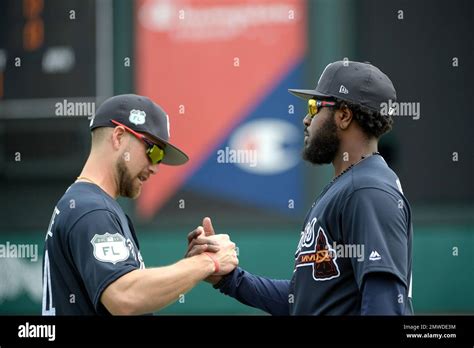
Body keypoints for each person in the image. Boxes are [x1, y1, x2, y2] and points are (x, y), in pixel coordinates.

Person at [187, 61, 414, 315]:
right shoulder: (349, 186)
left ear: (344, 116)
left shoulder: (368, 190)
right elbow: (304, 300)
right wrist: (230, 279)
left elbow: (383, 304)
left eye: (314, 107)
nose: (307, 119)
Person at [42, 94, 239, 315]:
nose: (156, 168)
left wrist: (187, 269)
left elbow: (128, 290)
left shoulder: (84, 202)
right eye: (153, 152)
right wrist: (206, 263)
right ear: (118, 137)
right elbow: (124, 297)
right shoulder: (92, 210)